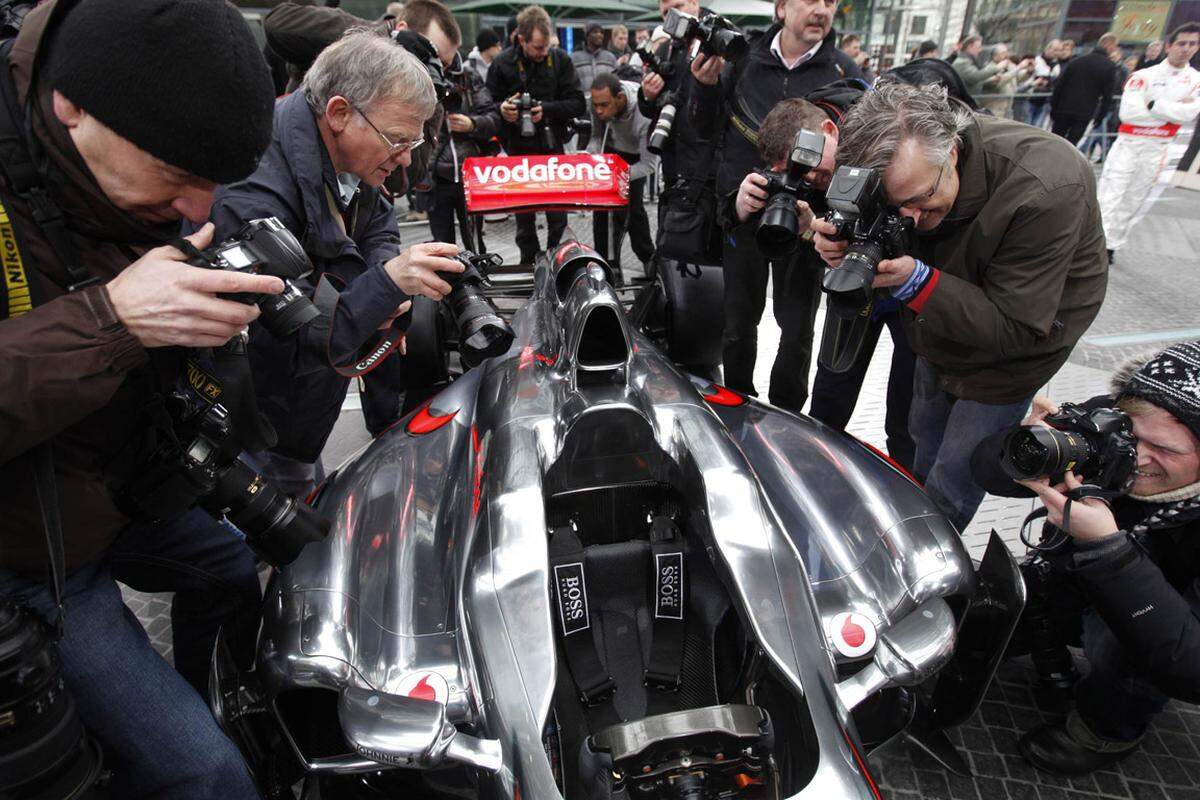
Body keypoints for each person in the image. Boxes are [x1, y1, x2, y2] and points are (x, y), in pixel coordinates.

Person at [0, 0, 280, 796]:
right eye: (179, 178)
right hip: (25, 555)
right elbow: (99, 316)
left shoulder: (109, 161)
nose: (199, 209)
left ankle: (214, 701)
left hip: (105, 493)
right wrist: (112, 319)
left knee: (246, 567)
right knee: (206, 775)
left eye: (215, 183)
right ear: (73, 105)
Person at [812, 81, 1108, 531]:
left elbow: (1017, 326)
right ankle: (912, 525)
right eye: (892, 207)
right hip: (936, 332)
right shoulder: (905, 175)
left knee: (956, 474)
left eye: (919, 201)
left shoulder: (1047, 185)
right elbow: (900, 223)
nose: (909, 219)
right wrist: (846, 245)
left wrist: (916, 281)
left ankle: (934, 564)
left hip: (1013, 354)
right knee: (923, 439)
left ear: (951, 151)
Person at [195, 30, 463, 501]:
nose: (405, 159)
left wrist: (384, 289)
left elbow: (378, 221)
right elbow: (289, 331)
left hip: (301, 404)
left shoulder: (337, 148)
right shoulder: (252, 191)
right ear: (340, 113)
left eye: (414, 140)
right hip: (255, 412)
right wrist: (383, 285)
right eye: (397, 140)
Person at [1008, 341, 1200, 776]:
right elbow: (986, 471)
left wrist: (1110, 551)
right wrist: (1027, 448)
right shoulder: (1109, 423)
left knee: (1124, 649)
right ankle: (1039, 626)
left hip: (1156, 621)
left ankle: (1107, 731)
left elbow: (1191, 667)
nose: (1137, 458)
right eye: (1133, 436)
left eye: (1166, 451)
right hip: (1071, 576)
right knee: (1012, 596)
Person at [688, 0, 861, 413]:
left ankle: (787, 414)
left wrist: (818, 218)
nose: (822, 9)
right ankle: (737, 404)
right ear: (782, 8)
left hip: (807, 224)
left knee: (797, 329)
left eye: (831, 2)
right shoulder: (743, 59)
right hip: (745, 210)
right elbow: (705, 130)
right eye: (811, 0)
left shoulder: (844, 71)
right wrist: (703, 89)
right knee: (737, 324)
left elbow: (855, 162)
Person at [485, 4, 587, 264]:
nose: (543, 52)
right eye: (538, 47)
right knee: (524, 218)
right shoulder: (502, 63)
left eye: (546, 46)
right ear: (521, 39)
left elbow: (578, 103)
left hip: (553, 149)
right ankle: (528, 264)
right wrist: (502, 109)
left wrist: (548, 110)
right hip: (518, 150)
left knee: (558, 219)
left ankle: (558, 263)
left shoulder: (559, 60)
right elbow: (485, 105)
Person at [1096, 23, 1200, 264]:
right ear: (1169, 45)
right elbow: (1130, 113)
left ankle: (1111, 245)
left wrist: (1155, 104)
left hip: (1159, 147)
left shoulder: (1195, 81)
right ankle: (1094, 242)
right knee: (1110, 194)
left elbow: (1190, 113)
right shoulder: (1143, 76)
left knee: (1135, 197)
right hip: (1130, 142)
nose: (1186, 49)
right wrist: (1173, 109)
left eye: (1192, 44)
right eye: (1182, 43)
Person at [587, 73, 657, 282]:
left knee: (633, 210)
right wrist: (590, 157)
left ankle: (648, 260)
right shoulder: (599, 103)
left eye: (604, 105)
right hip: (611, 149)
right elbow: (596, 137)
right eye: (596, 105)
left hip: (636, 158)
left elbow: (649, 165)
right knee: (601, 211)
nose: (599, 110)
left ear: (619, 97)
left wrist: (619, 175)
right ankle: (607, 265)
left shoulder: (643, 115)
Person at [1049, 33, 1119, 144]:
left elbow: (1060, 86)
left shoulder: (1077, 61)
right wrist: (1100, 116)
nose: (1115, 49)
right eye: (1115, 46)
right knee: (1071, 145)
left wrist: (1054, 107)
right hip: (1084, 112)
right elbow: (1107, 95)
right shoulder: (1109, 66)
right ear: (1109, 45)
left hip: (1064, 108)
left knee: (1054, 142)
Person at [979, 43, 1033, 118]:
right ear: (995, 56)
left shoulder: (1010, 66)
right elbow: (999, 82)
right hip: (994, 108)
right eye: (1003, 53)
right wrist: (1019, 68)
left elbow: (1018, 78)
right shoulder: (989, 69)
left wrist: (1029, 71)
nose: (1006, 55)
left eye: (1007, 52)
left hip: (1008, 107)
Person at [1026, 39, 1063, 128]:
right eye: (1055, 50)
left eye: (1059, 50)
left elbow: (1055, 81)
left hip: (1044, 101)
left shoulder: (1056, 66)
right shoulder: (1037, 60)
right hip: (1031, 98)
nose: (1056, 53)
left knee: (1037, 127)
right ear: (1048, 49)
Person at [572, 21, 617, 91]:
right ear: (587, 36)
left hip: (605, 100)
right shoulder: (574, 58)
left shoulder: (610, 58)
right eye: (595, 32)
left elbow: (616, 82)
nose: (599, 35)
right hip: (582, 100)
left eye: (601, 32)